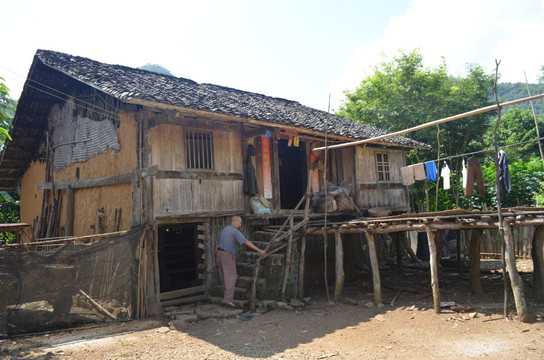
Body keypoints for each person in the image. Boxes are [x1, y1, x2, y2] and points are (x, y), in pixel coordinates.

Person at [216, 215, 265, 308]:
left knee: (224, 276)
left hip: (220, 254)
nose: (240, 224)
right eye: (240, 222)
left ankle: (226, 296)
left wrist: (217, 258)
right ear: (234, 222)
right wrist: (259, 250)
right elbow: (246, 242)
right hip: (227, 255)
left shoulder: (224, 230)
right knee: (232, 276)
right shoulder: (235, 231)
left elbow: (217, 245)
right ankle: (227, 299)